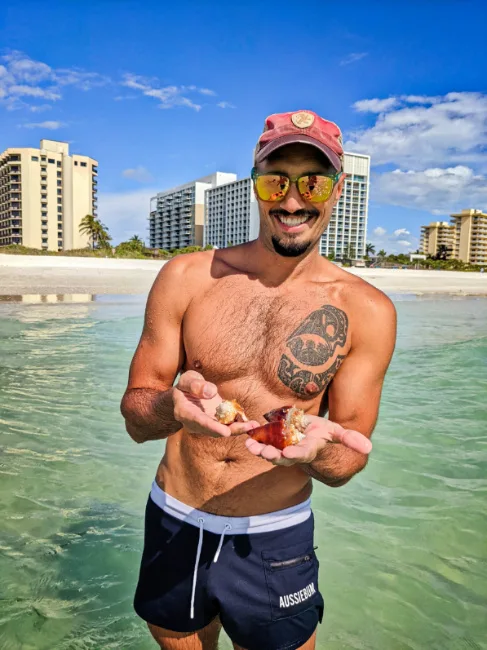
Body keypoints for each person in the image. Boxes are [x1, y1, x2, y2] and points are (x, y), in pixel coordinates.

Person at [121, 109, 397, 650]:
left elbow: (348, 458)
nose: (293, 200)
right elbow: (135, 416)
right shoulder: (187, 277)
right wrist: (171, 409)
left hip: (274, 538)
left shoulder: (367, 312)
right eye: (277, 180)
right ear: (256, 187)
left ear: (336, 191)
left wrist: (316, 454)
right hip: (176, 519)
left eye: (312, 181)